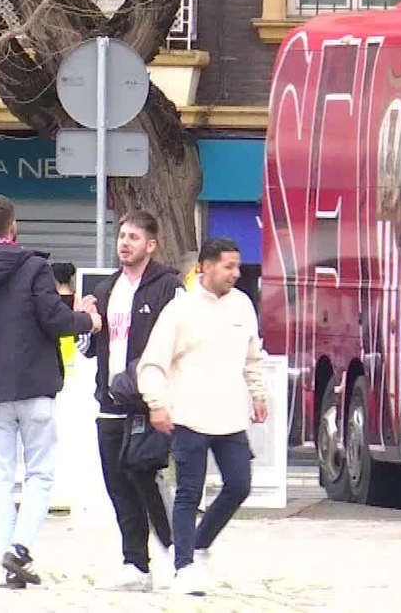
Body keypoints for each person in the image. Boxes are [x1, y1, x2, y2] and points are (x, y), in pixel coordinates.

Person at [0, 194, 101, 589]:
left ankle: (10, 560)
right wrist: (87, 320)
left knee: (0, 478)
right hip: (35, 384)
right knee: (40, 473)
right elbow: (54, 319)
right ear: (14, 225)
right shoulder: (34, 268)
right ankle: (20, 549)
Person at [138, 237, 269, 598]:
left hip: (230, 416)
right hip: (189, 416)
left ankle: (197, 544)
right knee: (189, 492)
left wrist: (258, 393)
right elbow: (153, 362)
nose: (235, 273)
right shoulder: (180, 311)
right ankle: (183, 567)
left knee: (239, 484)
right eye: (228, 266)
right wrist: (156, 403)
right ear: (206, 267)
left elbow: (253, 356)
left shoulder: (242, 305)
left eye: (237, 266)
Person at [80, 211, 181, 592]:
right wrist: (85, 322)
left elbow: (179, 342)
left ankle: (178, 553)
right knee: (118, 485)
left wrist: (162, 397)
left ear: (150, 245)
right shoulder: (107, 289)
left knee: (147, 478)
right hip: (110, 401)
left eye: (134, 237)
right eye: (122, 236)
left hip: (148, 401)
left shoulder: (168, 287)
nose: (125, 243)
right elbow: (90, 349)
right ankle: (135, 563)